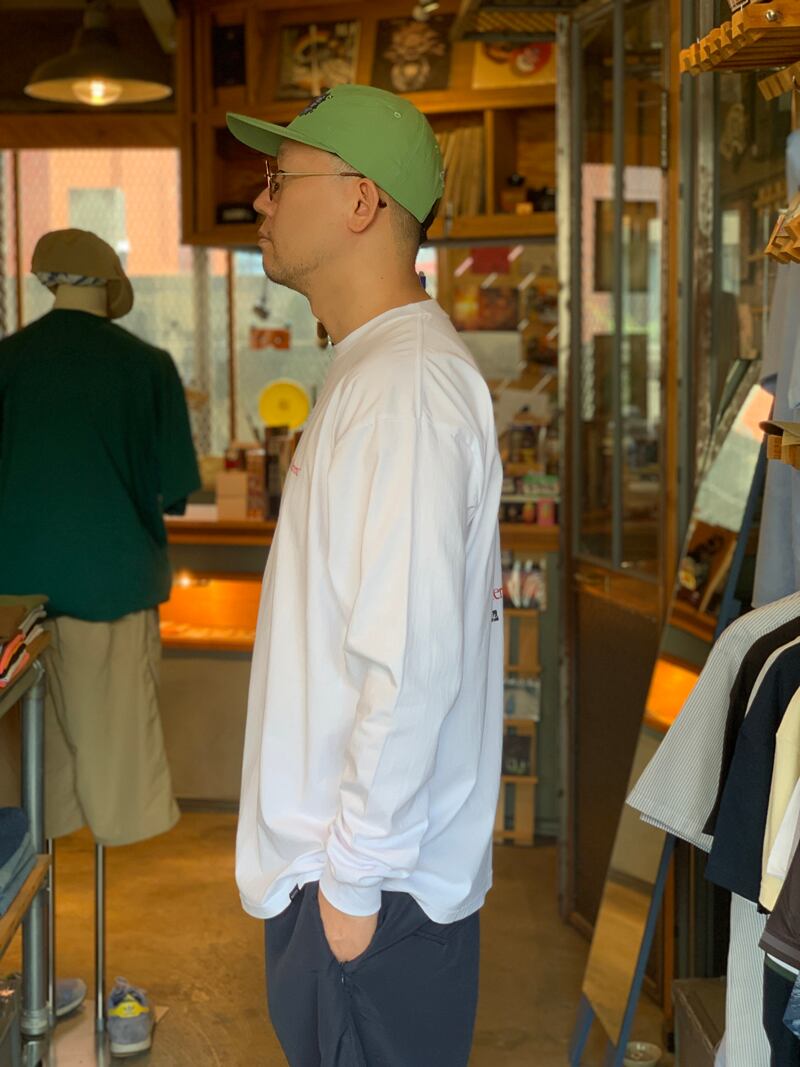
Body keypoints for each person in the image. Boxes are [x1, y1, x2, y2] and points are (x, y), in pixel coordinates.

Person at [227, 84, 504, 1066]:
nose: (259, 199)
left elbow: (409, 658)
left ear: (360, 201)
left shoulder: (404, 389)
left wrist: (350, 884)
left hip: (369, 891)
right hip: (351, 878)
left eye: (279, 178)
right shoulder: (374, 366)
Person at [0, 229, 200, 1056]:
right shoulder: (145, 366)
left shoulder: (7, 363)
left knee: (28, 795)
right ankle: (111, 996)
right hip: (111, 593)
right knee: (116, 778)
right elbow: (175, 487)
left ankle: (38, 982)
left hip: (13, 611)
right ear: (111, 286)